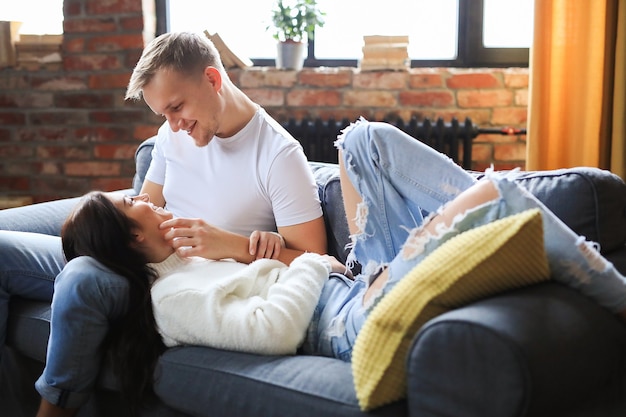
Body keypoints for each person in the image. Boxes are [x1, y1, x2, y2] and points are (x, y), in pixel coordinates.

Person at [60, 120, 626, 371]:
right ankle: (609, 287)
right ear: (133, 236)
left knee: (361, 140)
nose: (150, 200)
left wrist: (255, 249)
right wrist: (311, 262)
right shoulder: (171, 299)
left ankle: (473, 208)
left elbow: (276, 274)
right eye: (136, 204)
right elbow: (274, 330)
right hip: (348, 318)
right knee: (497, 193)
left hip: (351, 282)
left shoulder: (195, 252)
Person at [0, 31, 327, 417]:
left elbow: (315, 259)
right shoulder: (172, 137)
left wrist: (232, 246)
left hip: (180, 278)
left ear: (212, 79)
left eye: (177, 107)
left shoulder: (278, 155)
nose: (173, 127)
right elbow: (142, 208)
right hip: (143, 254)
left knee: (83, 277)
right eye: (164, 115)